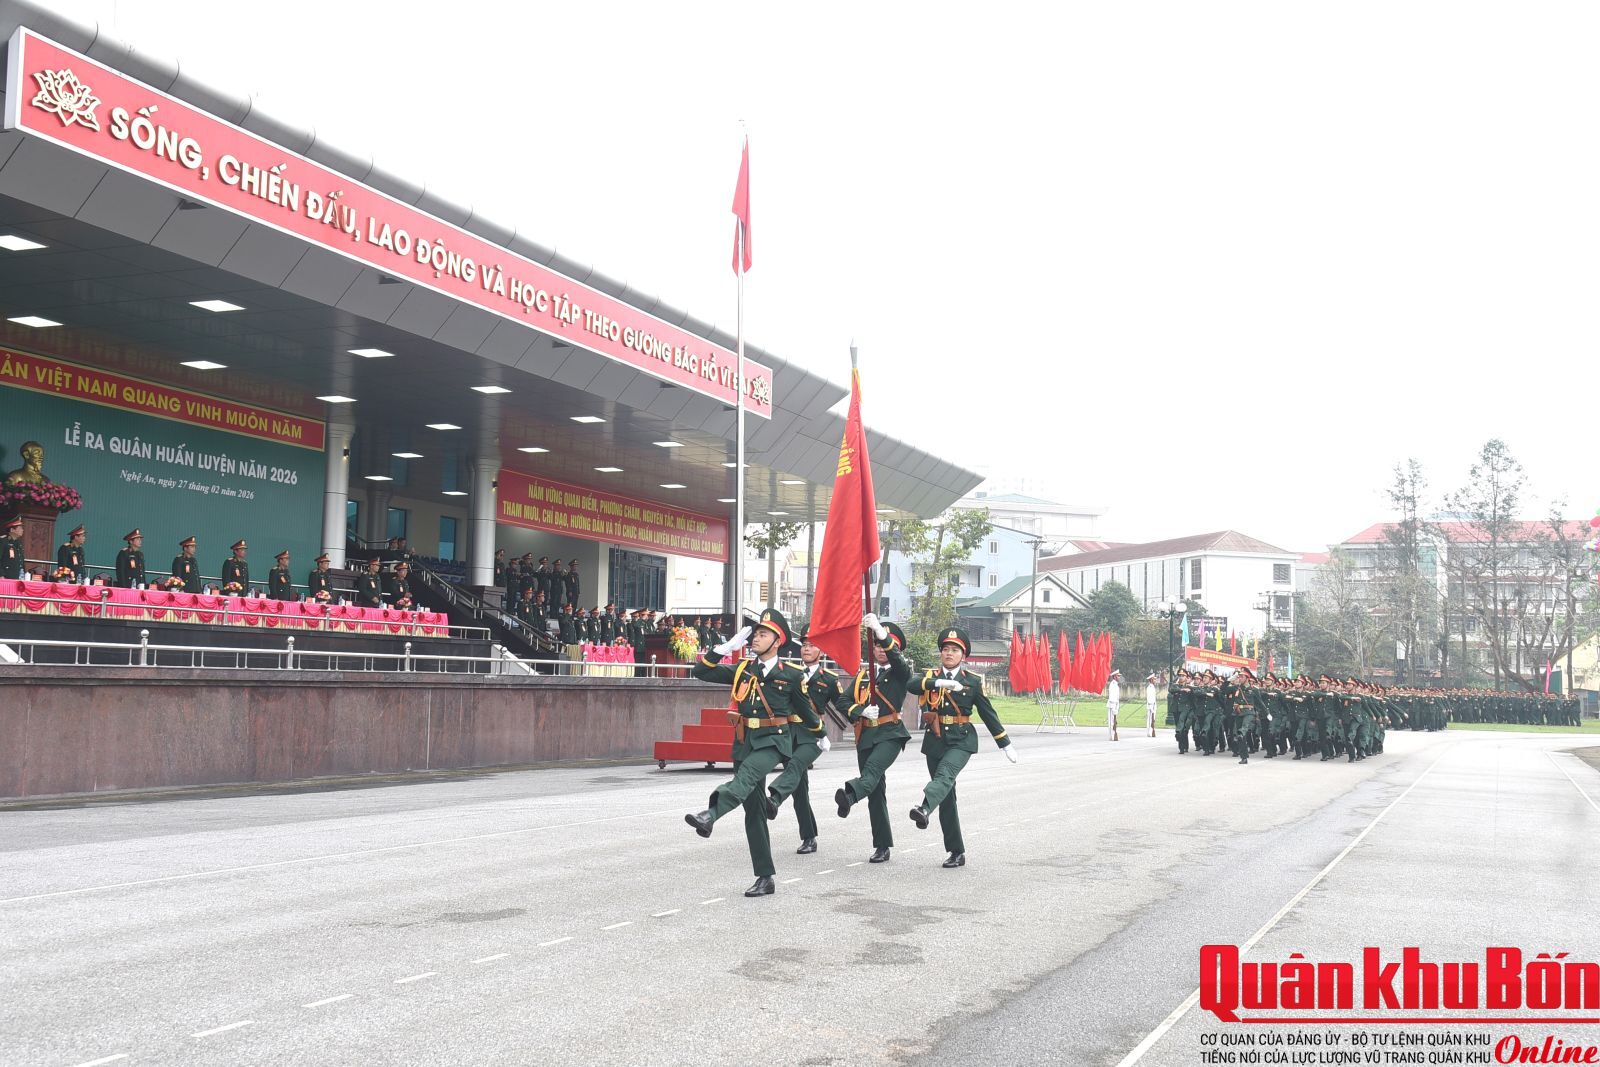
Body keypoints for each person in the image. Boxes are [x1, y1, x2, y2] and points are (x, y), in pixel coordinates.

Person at [686, 609, 817, 897]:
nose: (756, 638)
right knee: (754, 813)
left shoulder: (792, 675)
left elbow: (806, 711)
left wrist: (819, 736)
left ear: (778, 641)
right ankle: (765, 877)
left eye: (763, 634)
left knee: (745, 777)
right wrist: (724, 648)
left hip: (773, 741)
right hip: (745, 741)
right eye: (755, 634)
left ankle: (711, 814)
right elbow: (701, 671)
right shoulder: (744, 670)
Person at [907, 626, 1017, 868]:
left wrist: (1004, 742)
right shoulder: (930, 677)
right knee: (946, 797)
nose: (949, 653)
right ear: (941, 653)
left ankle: (924, 808)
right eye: (946, 649)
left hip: (961, 739)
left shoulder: (972, 681)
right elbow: (911, 684)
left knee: (945, 775)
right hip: (935, 740)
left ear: (963, 655)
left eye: (955, 650)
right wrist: (939, 683)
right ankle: (956, 852)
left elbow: (988, 713)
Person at [835, 613, 912, 864]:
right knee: (875, 791)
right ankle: (882, 845)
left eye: (885, 645)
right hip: (866, 735)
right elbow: (842, 701)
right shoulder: (864, 675)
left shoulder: (900, 672)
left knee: (871, 774)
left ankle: (849, 795)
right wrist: (860, 711)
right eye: (876, 645)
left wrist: (880, 630)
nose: (880, 649)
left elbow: (899, 661)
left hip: (890, 734)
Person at [767, 626, 838, 855]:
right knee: (799, 790)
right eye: (804, 645)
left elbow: (844, 704)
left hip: (813, 735)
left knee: (796, 765)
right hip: (790, 733)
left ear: (822, 651)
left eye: (812, 645)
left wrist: (863, 713)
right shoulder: (788, 673)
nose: (807, 649)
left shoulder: (829, 679)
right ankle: (809, 837)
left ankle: (775, 798)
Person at [1106, 668, 1122, 741]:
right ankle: (1111, 736)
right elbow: (1112, 697)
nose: (1119, 677)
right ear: (1115, 676)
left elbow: (1117, 698)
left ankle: (1114, 734)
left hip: (1115, 705)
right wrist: (1113, 708)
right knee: (1111, 722)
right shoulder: (1112, 684)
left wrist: (1117, 707)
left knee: (1114, 722)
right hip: (1112, 705)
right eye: (1118, 676)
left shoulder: (1116, 685)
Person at [1145, 673, 1159, 738]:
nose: (1155, 680)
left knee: (1153, 719)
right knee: (1150, 719)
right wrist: (1151, 707)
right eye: (1154, 679)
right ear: (1151, 680)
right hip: (1151, 705)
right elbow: (1149, 698)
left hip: (1153, 705)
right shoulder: (1149, 687)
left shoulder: (1152, 687)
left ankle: (1151, 731)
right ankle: (1149, 732)